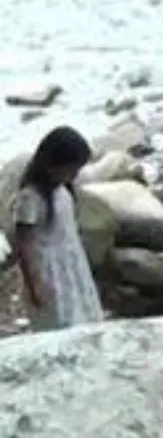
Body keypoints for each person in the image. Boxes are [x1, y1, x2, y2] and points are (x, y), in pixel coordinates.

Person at [8, 126, 104, 331]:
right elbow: (24, 244)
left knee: (82, 311)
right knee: (60, 319)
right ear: (52, 164)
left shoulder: (61, 190)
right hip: (49, 270)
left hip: (70, 262)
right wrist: (35, 285)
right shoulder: (30, 197)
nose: (75, 175)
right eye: (71, 169)